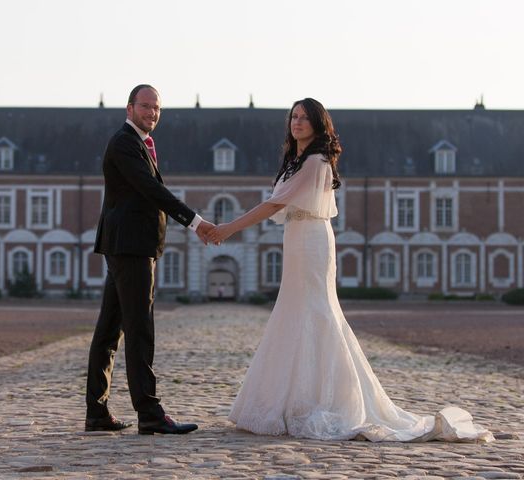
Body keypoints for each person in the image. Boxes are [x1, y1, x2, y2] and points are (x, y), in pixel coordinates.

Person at [206, 98, 493, 442]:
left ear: (317, 124)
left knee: (316, 311)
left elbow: (274, 204)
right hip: (297, 236)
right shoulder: (298, 160)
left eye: (304, 118)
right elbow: (280, 203)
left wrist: (228, 228)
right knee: (295, 310)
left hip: (311, 238)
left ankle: (323, 398)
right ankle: (292, 396)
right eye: (293, 117)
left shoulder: (315, 160)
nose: (297, 122)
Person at [86, 84, 212, 435]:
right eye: (145, 107)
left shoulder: (139, 143)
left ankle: (96, 413)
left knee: (110, 330)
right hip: (131, 246)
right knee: (139, 329)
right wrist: (196, 222)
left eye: (156, 108)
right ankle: (150, 413)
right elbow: (151, 190)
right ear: (129, 108)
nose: (151, 113)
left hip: (128, 245)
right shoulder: (125, 143)